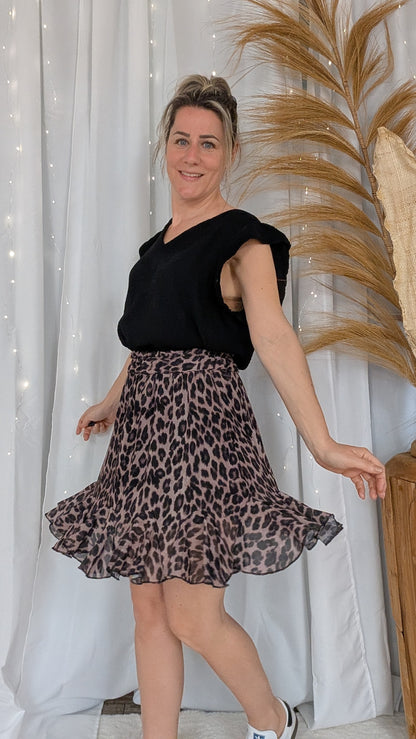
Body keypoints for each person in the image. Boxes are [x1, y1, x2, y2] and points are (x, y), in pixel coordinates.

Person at [45, 75, 386, 739]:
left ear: (231, 152)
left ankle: (274, 721)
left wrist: (323, 444)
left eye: (208, 143)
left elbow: (273, 335)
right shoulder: (154, 250)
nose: (192, 156)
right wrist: (112, 400)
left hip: (202, 432)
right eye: (182, 140)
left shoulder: (244, 240)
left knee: (192, 616)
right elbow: (151, 338)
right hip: (143, 434)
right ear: (164, 146)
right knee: (149, 611)